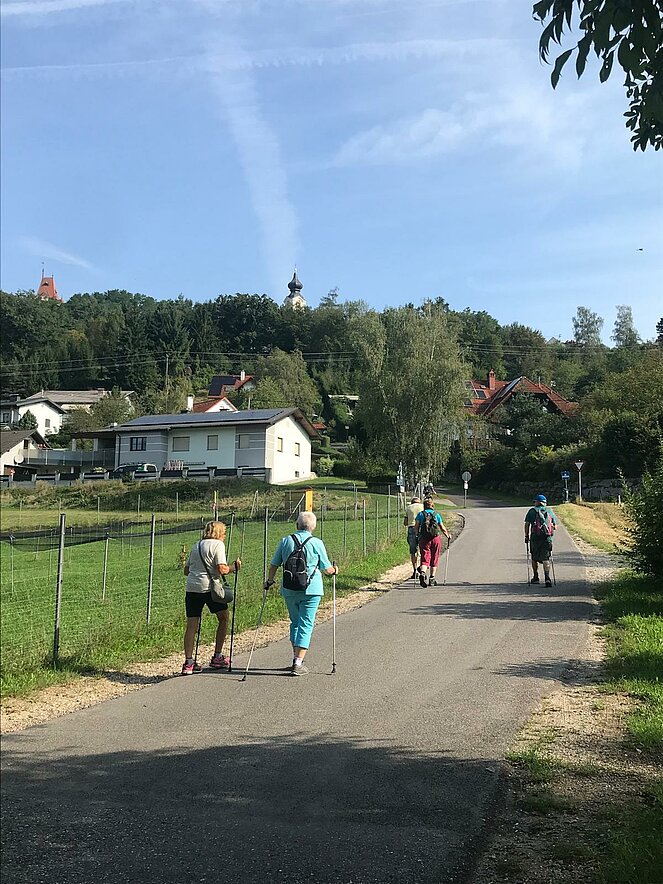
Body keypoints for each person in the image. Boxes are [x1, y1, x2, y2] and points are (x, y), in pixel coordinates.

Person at [264, 511, 338, 676]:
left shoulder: (286, 541)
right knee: (306, 623)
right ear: (313, 526)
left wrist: (269, 581)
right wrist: (335, 570)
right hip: (311, 590)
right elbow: (327, 569)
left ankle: (296, 658)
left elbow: (274, 564)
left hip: (289, 589)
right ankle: (298, 662)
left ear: (297, 524)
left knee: (295, 622)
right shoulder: (317, 543)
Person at [182, 520, 241, 676]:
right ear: (219, 533)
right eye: (224, 533)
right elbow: (222, 569)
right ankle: (217, 656)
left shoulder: (196, 545)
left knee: (192, 625)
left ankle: (188, 662)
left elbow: (186, 570)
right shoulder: (218, 545)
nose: (225, 536)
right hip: (209, 588)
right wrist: (234, 567)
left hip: (192, 588)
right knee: (223, 618)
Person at [415, 497, 450, 587]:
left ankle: (422, 573)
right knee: (435, 557)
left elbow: (416, 527)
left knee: (425, 557)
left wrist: (417, 536)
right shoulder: (436, 514)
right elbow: (442, 527)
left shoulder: (420, 514)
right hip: (435, 538)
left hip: (424, 538)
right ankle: (432, 578)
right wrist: (447, 535)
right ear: (432, 505)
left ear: (424, 506)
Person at [524, 494, 557, 587]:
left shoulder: (532, 511)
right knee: (546, 558)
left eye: (535, 502)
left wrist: (526, 536)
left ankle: (536, 577)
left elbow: (527, 524)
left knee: (534, 557)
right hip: (547, 538)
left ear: (537, 502)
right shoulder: (549, 511)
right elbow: (555, 527)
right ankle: (547, 578)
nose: (534, 503)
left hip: (535, 537)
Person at [403, 496, 424, 578]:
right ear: (419, 501)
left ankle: (415, 571)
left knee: (413, 551)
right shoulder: (423, 506)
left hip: (411, 529)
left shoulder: (408, 508)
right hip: (422, 528)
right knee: (423, 550)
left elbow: (405, 522)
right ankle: (422, 569)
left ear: (412, 502)